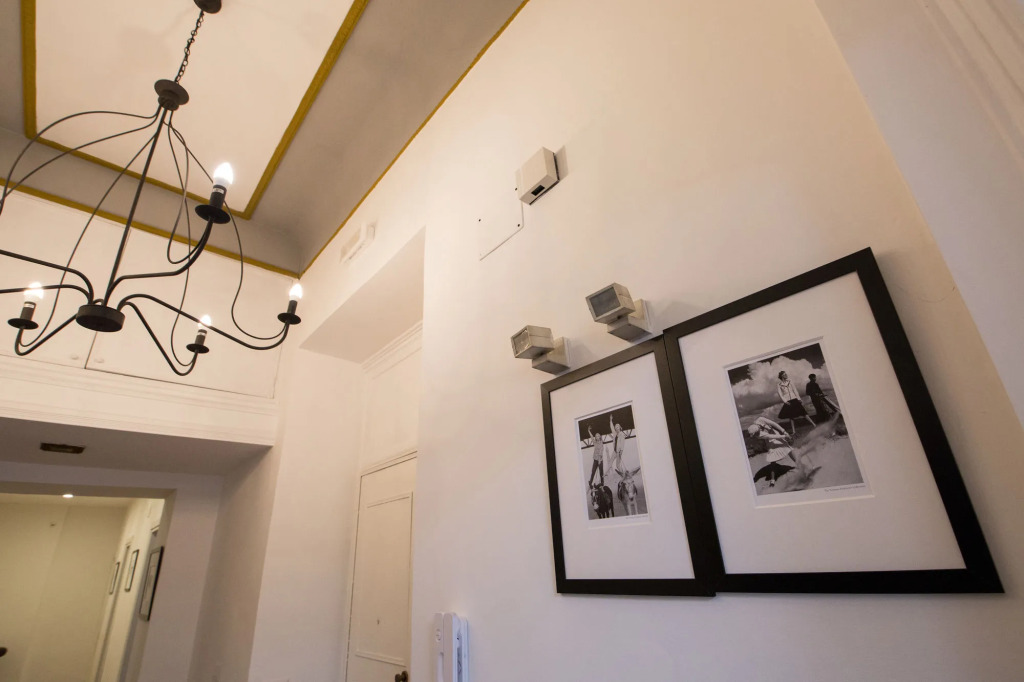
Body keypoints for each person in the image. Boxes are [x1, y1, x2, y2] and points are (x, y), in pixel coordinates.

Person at [747, 416, 819, 485]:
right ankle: (772, 479)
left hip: (778, 435)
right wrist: (784, 436)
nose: (755, 435)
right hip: (771, 442)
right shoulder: (759, 435)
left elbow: (774, 424)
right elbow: (771, 436)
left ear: (757, 429)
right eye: (754, 434)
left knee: (789, 450)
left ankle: (801, 467)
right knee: (772, 459)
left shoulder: (760, 419)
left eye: (755, 433)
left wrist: (784, 431)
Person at [776, 370, 816, 435]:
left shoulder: (790, 381)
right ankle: (794, 432)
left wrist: (799, 398)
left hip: (794, 399)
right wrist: (785, 401)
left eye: (786, 374)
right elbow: (780, 394)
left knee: (803, 412)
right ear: (782, 376)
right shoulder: (779, 385)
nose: (786, 375)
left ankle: (814, 425)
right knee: (791, 416)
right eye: (784, 374)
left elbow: (795, 390)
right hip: (788, 401)